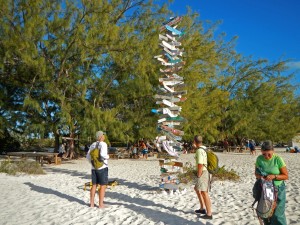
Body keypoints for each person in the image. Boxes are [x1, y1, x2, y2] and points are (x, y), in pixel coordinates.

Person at [254, 140, 288, 225]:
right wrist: (261, 177)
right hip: (265, 189)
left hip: (278, 189)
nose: (266, 156)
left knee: (278, 214)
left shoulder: (278, 159)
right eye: (264, 154)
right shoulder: (259, 159)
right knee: (266, 212)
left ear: (273, 151)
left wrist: (274, 176)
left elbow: (286, 176)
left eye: (269, 154)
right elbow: (256, 174)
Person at [86, 131, 109, 208]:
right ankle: (101, 204)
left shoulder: (93, 144)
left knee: (94, 185)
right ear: (100, 136)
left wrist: (92, 164)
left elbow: (88, 157)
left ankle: (91, 204)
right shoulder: (103, 144)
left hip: (93, 168)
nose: (104, 136)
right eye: (103, 135)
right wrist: (107, 157)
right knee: (103, 186)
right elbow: (103, 155)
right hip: (102, 167)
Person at [193, 135, 213, 220]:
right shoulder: (204, 148)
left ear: (195, 141)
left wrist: (198, 174)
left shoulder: (199, 151)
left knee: (204, 192)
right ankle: (202, 208)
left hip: (203, 172)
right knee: (197, 189)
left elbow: (200, 164)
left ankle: (209, 214)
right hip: (205, 172)